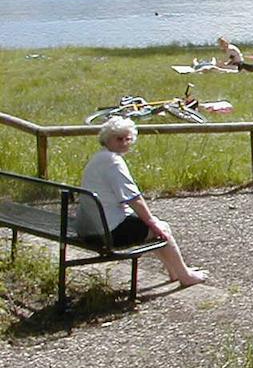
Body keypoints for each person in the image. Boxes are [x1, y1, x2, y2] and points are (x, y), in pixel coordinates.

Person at [76, 117, 207, 288]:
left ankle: (174, 272)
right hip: (108, 232)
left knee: (152, 228)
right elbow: (133, 198)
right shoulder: (113, 162)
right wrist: (151, 221)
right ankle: (185, 275)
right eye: (118, 138)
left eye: (127, 138)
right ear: (107, 139)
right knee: (161, 228)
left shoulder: (99, 158)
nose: (124, 143)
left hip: (91, 228)